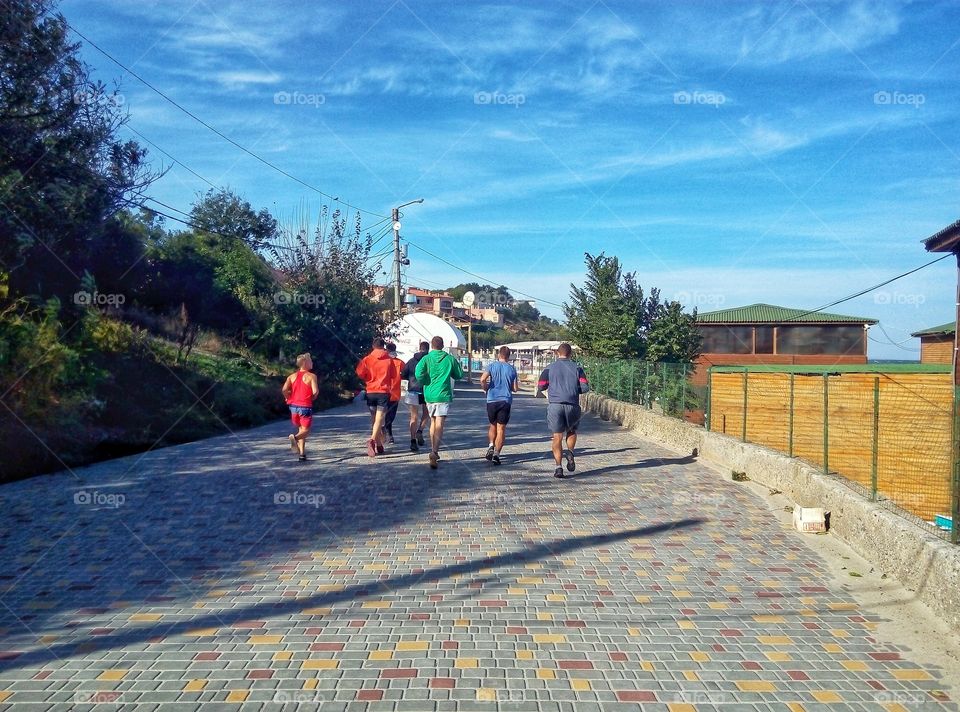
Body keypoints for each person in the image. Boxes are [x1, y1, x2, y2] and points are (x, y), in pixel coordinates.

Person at [536, 343, 590, 478]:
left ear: (557, 353)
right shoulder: (577, 368)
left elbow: (541, 386)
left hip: (555, 405)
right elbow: (585, 387)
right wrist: (573, 389)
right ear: (570, 354)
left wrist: (552, 386)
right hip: (572, 405)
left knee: (557, 436)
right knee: (571, 431)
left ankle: (558, 467)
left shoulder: (549, 368)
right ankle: (570, 451)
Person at [414, 335, 464, 469]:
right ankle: (434, 451)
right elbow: (459, 375)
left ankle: (433, 448)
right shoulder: (449, 359)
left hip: (429, 394)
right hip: (443, 394)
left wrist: (425, 381)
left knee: (433, 421)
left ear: (432, 345)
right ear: (442, 346)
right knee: (440, 423)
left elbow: (418, 373)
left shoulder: (426, 358)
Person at [355, 337, 397, 457]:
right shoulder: (389, 360)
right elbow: (394, 376)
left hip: (370, 391)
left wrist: (369, 378)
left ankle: (379, 445)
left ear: (373, 346)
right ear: (383, 346)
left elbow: (360, 373)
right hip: (383, 392)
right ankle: (372, 440)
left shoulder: (367, 359)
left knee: (374, 418)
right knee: (380, 418)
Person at [480, 345, 519, 465]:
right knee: (501, 428)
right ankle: (497, 454)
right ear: (508, 356)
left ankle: (491, 445)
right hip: (505, 400)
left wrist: (486, 388)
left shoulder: (491, 366)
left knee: (492, 425)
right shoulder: (512, 369)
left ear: (499, 355)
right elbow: (515, 388)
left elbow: (482, 379)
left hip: (492, 399)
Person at [281, 352, 319, 462]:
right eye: (310, 361)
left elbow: (284, 390)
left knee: (301, 429)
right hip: (305, 406)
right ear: (305, 363)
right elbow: (315, 391)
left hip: (293, 407)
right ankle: (295, 438)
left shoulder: (291, 376)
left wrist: (287, 397)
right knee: (306, 431)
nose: (312, 363)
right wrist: (312, 398)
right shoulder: (312, 376)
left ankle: (302, 454)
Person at [401, 341, 431, 452]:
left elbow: (403, 374)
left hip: (413, 390)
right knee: (426, 413)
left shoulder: (411, 360)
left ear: (419, 348)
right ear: (428, 349)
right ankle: (420, 431)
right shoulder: (429, 360)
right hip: (426, 390)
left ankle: (413, 441)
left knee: (413, 417)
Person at [382, 343, 404, 445]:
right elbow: (405, 374)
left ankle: (385, 431)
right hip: (395, 393)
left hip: (383, 392)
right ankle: (388, 433)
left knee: (384, 415)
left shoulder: (383, 361)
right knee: (391, 415)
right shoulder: (400, 363)